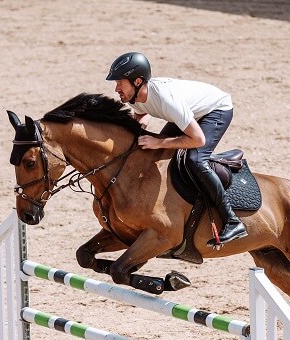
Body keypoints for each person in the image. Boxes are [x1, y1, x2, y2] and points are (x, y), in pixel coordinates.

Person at [106, 52, 247, 247]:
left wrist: (161, 142)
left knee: (195, 160)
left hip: (215, 110)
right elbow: (141, 117)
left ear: (137, 81)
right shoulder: (136, 96)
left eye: (120, 83)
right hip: (188, 113)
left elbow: (197, 139)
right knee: (152, 148)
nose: (116, 88)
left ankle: (232, 221)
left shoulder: (167, 100)